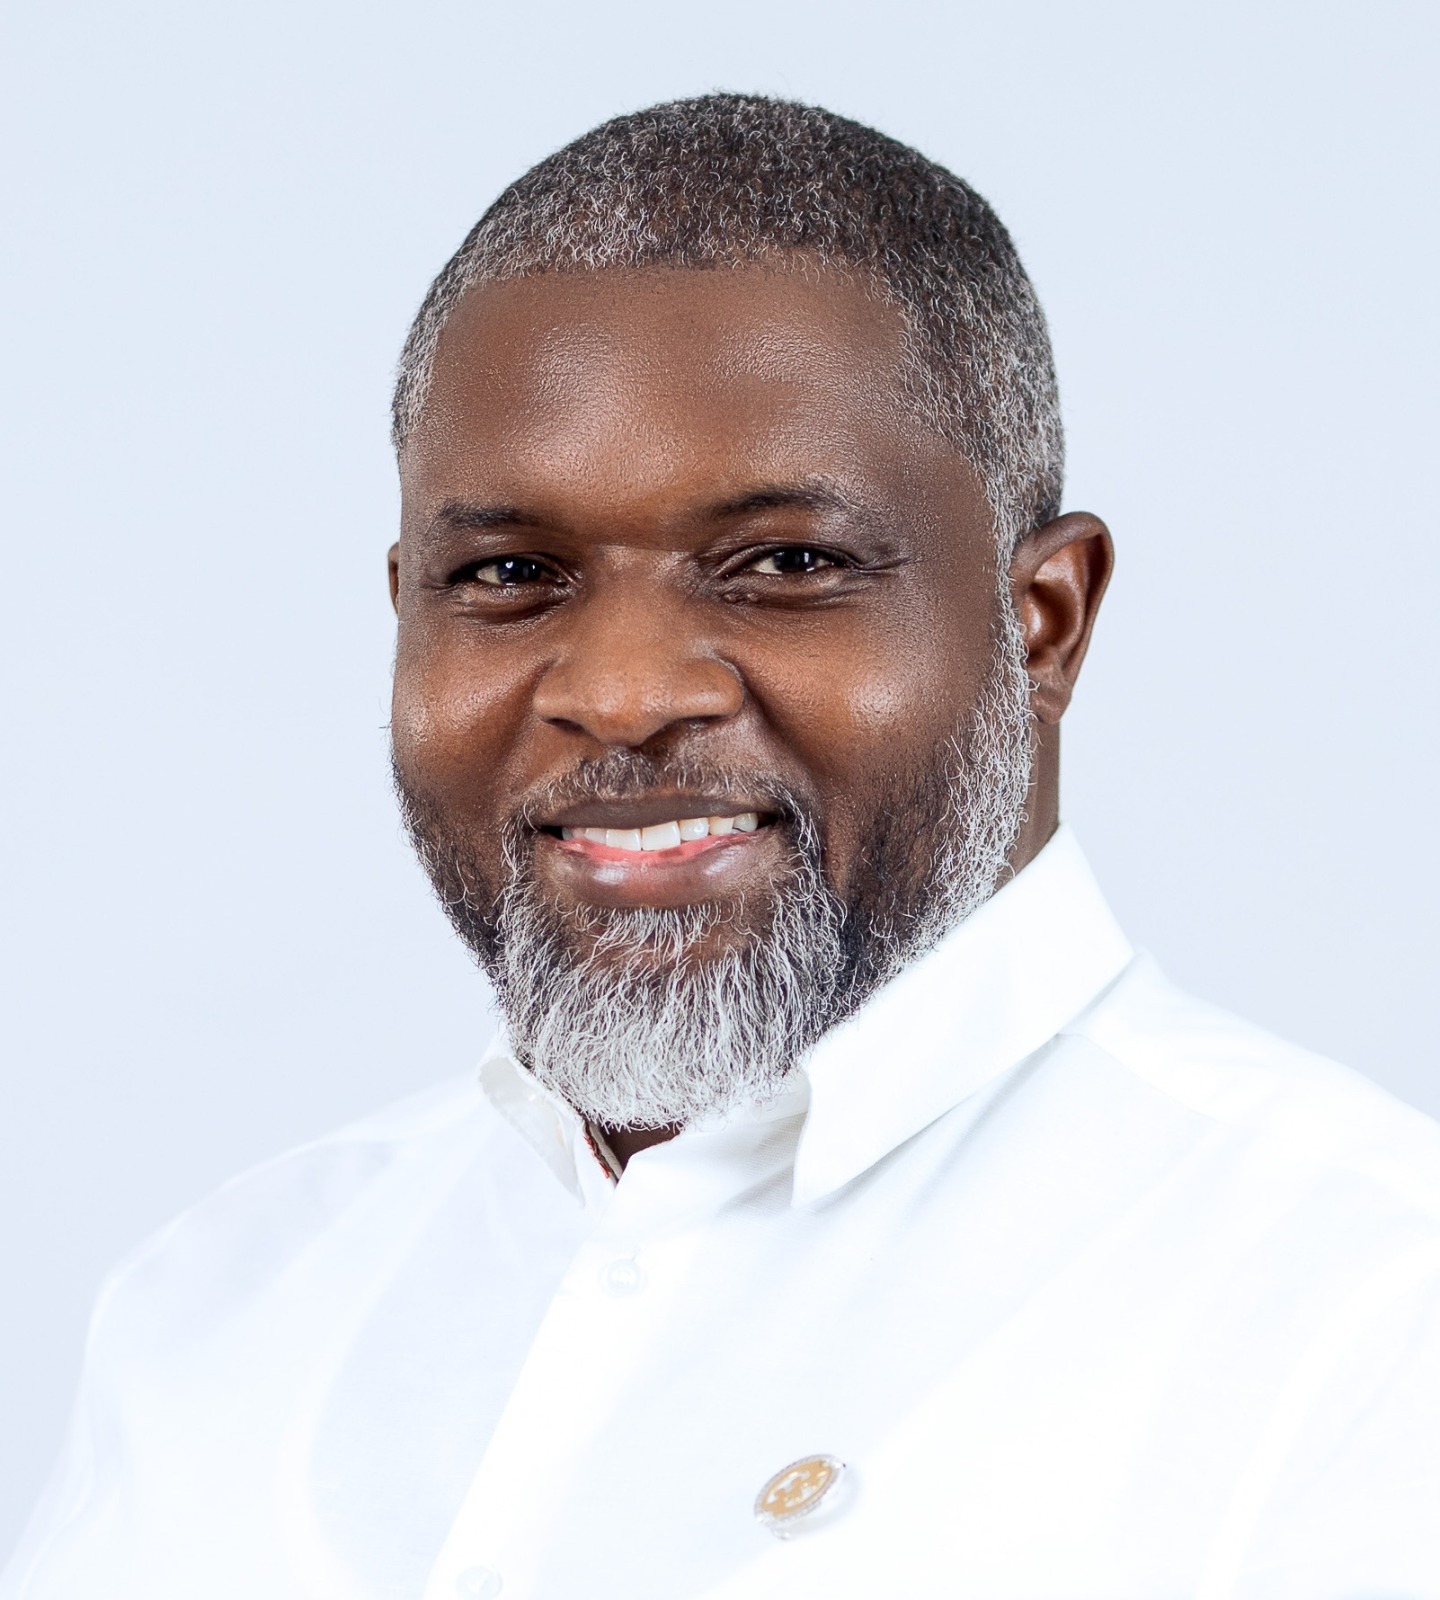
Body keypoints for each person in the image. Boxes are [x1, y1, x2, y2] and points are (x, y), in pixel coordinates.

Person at [4, 93, 1439, 1600]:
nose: (623, 693)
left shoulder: (1364, 1319)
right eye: (508, 574)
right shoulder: (220, 1319)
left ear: (1044, 622)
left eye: (789, 563)